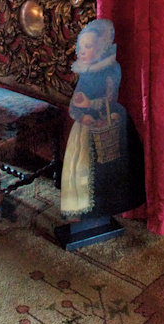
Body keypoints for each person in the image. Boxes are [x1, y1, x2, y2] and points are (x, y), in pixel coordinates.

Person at [60, 19, 144, 219]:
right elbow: (75, 104)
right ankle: (81, 207)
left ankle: (103, 207)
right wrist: (80, 113)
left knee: (106, 167)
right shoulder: (84, 71)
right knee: (79, 165)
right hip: (86, 126)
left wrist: (89, 104)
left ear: (100, 50)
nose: (82, 52)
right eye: (80, 47)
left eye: (88, 47)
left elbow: (110, 100)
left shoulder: (110, 70)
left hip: (106, 122)